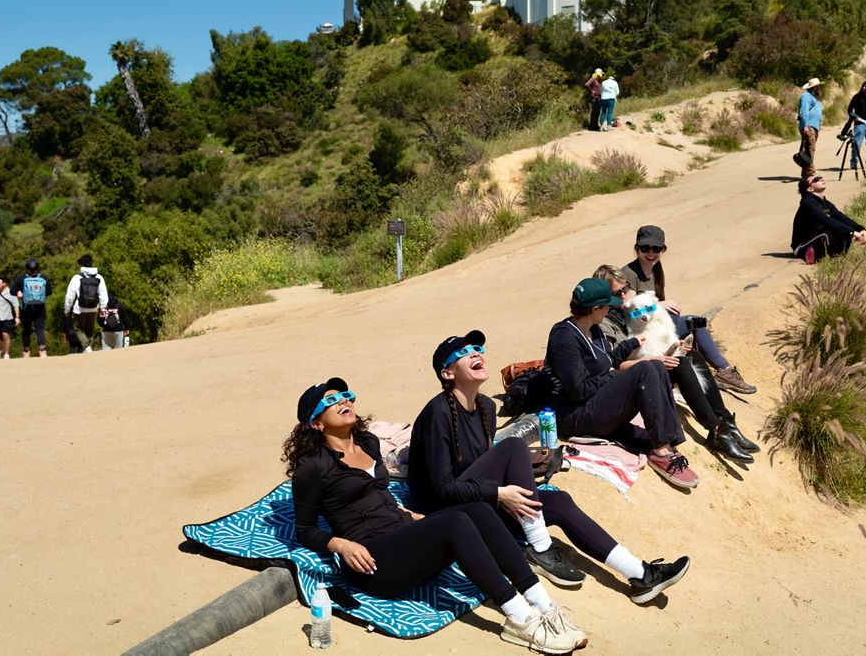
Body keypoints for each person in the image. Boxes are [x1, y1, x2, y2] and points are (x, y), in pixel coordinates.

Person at [288, 379, 588, 653]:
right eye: (330, 401)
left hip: (402, 538)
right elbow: (304, 529)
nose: (343, 401)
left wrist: (407, 514)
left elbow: (377, 494)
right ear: (315, 423)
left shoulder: (368, 442)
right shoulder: (311, 468)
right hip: (374, 562)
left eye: (345, 395)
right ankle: (520, 619)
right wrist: (340, 545)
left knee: (479, 509)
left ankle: (543, 604)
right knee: (455, 522)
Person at [408, 330, 691, 602]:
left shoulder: (486, 407)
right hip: (444, 514)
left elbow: (479, 465)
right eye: (463, 353)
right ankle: (540, 546)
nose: (475, 354)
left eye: (477, 349)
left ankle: (640, 575)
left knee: (560, 502)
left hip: (476, 500)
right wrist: (498, 493)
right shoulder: (438, 413)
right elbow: (440, 489)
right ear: (447, 373)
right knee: (512, 446)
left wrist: (502, 488)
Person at [593, 266, 759, 464]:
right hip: (636, 376)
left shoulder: (626, 311)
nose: (623, 296)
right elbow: (612, 367)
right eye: (616, 293)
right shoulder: (604, 323)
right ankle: (714, 430)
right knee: (680, 364)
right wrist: (653, 360)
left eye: (625, 288)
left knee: (694, 357)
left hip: (650, 364)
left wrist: (671, 348)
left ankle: (726, 423)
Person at [545, 278, 699, 488]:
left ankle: (668, 441)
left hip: (594, 402)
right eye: (607, 305)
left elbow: (608, 361)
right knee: (644, 369)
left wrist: (631, 345)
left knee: (654, 365)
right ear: (596, 308)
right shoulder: (565, 338)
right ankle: (660, 449)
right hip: (575, 416)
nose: (610, 309)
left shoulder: (595, 329)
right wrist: (619, 376)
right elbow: (578, 390)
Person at [620, 225, 757, 395]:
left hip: (656, 327)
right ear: (637, 248)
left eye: (656, 248)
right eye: (645, 248)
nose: (651, 253)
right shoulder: (629, 273)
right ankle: (723, 371)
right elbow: (628, 312)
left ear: (663, 249)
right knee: (693, 322)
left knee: (695, 323)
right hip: (643, 334)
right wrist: (658, 305)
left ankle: (723, 370)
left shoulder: (656, 268)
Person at [791, 175, 866, 264]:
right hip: (802, 246)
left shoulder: (825, 203)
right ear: (810, 189)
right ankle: (812, 255)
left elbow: (842, 218)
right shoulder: (808, 203)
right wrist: (853, 233)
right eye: (816, 180)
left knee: (843, 229)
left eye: (820, 177)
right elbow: (827, 220)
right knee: (829, 232)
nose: (821, 179)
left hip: (816, 236)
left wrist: (861, 229)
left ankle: (838, 256)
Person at [63, 254, 108, 353]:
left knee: (78, 329)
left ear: (81, 265)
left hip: (79, 309)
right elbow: (103, 294)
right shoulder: (99, 277)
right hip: (93, 308)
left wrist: (67, 310)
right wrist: (103, 308)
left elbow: (69, 297)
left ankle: (87, 347)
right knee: (89, 329)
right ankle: (88, 348)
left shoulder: (76, 278)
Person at [12, 258, 52, 358]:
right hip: (40, 308)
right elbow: (50, 292)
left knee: (26, 330)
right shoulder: (44, 278)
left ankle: (26, 352)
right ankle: (42, 351)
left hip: (26, 308)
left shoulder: (21, 278)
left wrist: (21, 292)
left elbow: (12, 291)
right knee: (39, 329)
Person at [0, 277, 20, 360]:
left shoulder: (11, 293)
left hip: (7, 317)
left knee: (6, 335)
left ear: (4, 284)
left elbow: (16, 305)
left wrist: (17, 317)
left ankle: (6, 353)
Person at [797, 78, 824, 179]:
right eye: (818, 86)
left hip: (813, 127)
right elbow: (804, 112)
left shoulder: (812, 97)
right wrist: (805, 126)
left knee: (809, 150)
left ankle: (805, 174)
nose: (820, 88)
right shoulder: (806, 97)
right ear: (815, 87)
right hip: (809, 127)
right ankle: (811, 174)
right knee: (809, 150)